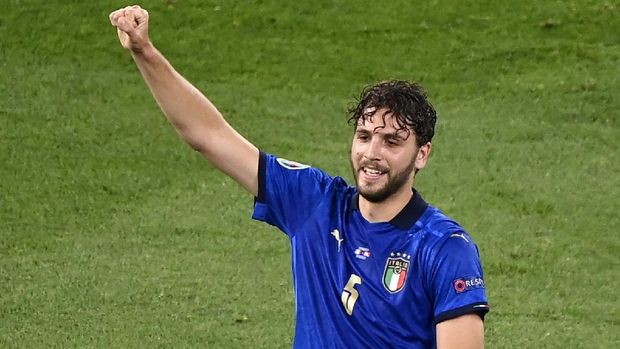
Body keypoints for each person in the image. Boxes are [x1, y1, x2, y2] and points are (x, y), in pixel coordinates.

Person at [109, 5, 489, 348]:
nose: (372, 153)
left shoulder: (444, 248)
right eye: (364, 136)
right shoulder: (315, 203)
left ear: (421, 154)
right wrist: (145, 52)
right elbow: (208, 135)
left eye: (391, 142)